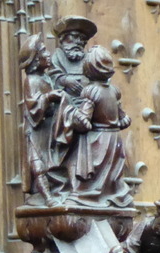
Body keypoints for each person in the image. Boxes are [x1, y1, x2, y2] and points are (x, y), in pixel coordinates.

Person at [56, 45, 132, 207]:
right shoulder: (114, 91)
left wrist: (68, 112)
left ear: (88, 68)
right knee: (110, 170)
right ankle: (115, 195)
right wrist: (121, 121)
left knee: (80, 165)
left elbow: (84, 121)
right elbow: (122, 117)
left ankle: (83, 195)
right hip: (114, 139)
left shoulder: (90, 92)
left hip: (97, 139)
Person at [19, 34, 63, 206]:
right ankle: (48, 199)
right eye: (44, 51)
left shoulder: (47, 78)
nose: (48, 54)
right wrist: (48, 97)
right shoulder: (31, 81)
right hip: (35, 131)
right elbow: (33, 107)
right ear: (36, 60)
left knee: (52, 162)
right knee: (37, 164)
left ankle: (55, 192)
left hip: (49, 128)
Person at [49, 16, 97, 103]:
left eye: (82, 39)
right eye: (75, 36)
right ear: (63, 38)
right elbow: (51, 78)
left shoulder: (89, 58)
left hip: (88, 102)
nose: (79, 42)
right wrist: (65, 80)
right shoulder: (57, 56)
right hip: (65, 103)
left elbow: (101, 79)